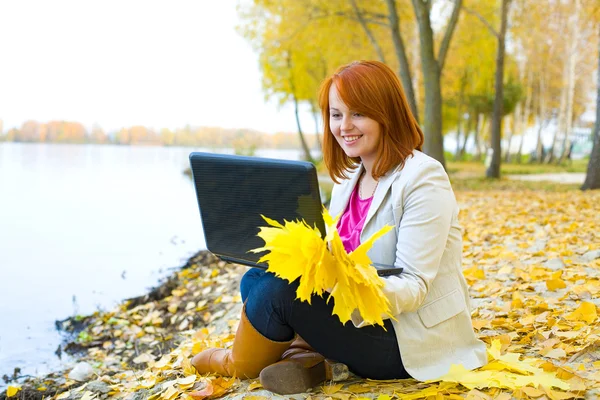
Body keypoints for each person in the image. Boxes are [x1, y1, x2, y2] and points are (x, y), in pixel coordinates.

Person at [191, 60, 487, 394]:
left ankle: (234, 362)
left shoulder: (423, 178)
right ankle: (310, 360)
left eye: (358, 113)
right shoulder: (349, 180)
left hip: (406, 338)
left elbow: (414, 285)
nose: (344, 126)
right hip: (358, 320)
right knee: (258, 276)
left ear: (386, 113)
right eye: (336, 114)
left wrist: (340, 283)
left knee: (276, 293)